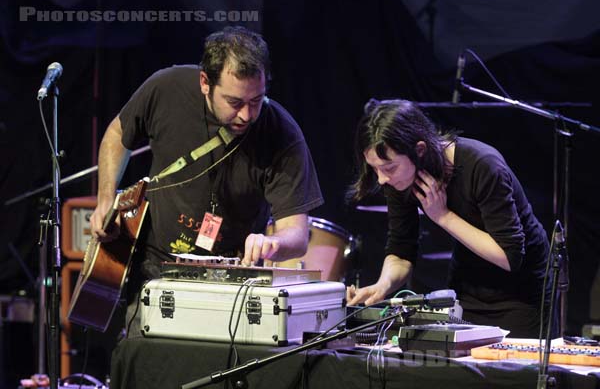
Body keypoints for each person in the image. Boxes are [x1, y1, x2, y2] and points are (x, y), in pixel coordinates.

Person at [90, 26, 323, 336]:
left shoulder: (282, 132)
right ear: (205, 82)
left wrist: (272, 243)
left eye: (257, 100)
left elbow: (297, 234)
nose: (246, 115)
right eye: (235, 102)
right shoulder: (166, 88)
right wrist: (106, 197)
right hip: (151, 272)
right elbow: (118, 133)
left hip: (230, 287)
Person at [346, 99, 554, 338]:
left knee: (509, 370)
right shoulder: (398, 181)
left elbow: (510, 256)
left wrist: (443, 216)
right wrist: (382, 287)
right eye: (375, 169)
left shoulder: (483, 166)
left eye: (389, 168)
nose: (382, 179)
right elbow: (401, 248)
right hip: (468, 283)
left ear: (420, 150)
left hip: (521, 291)